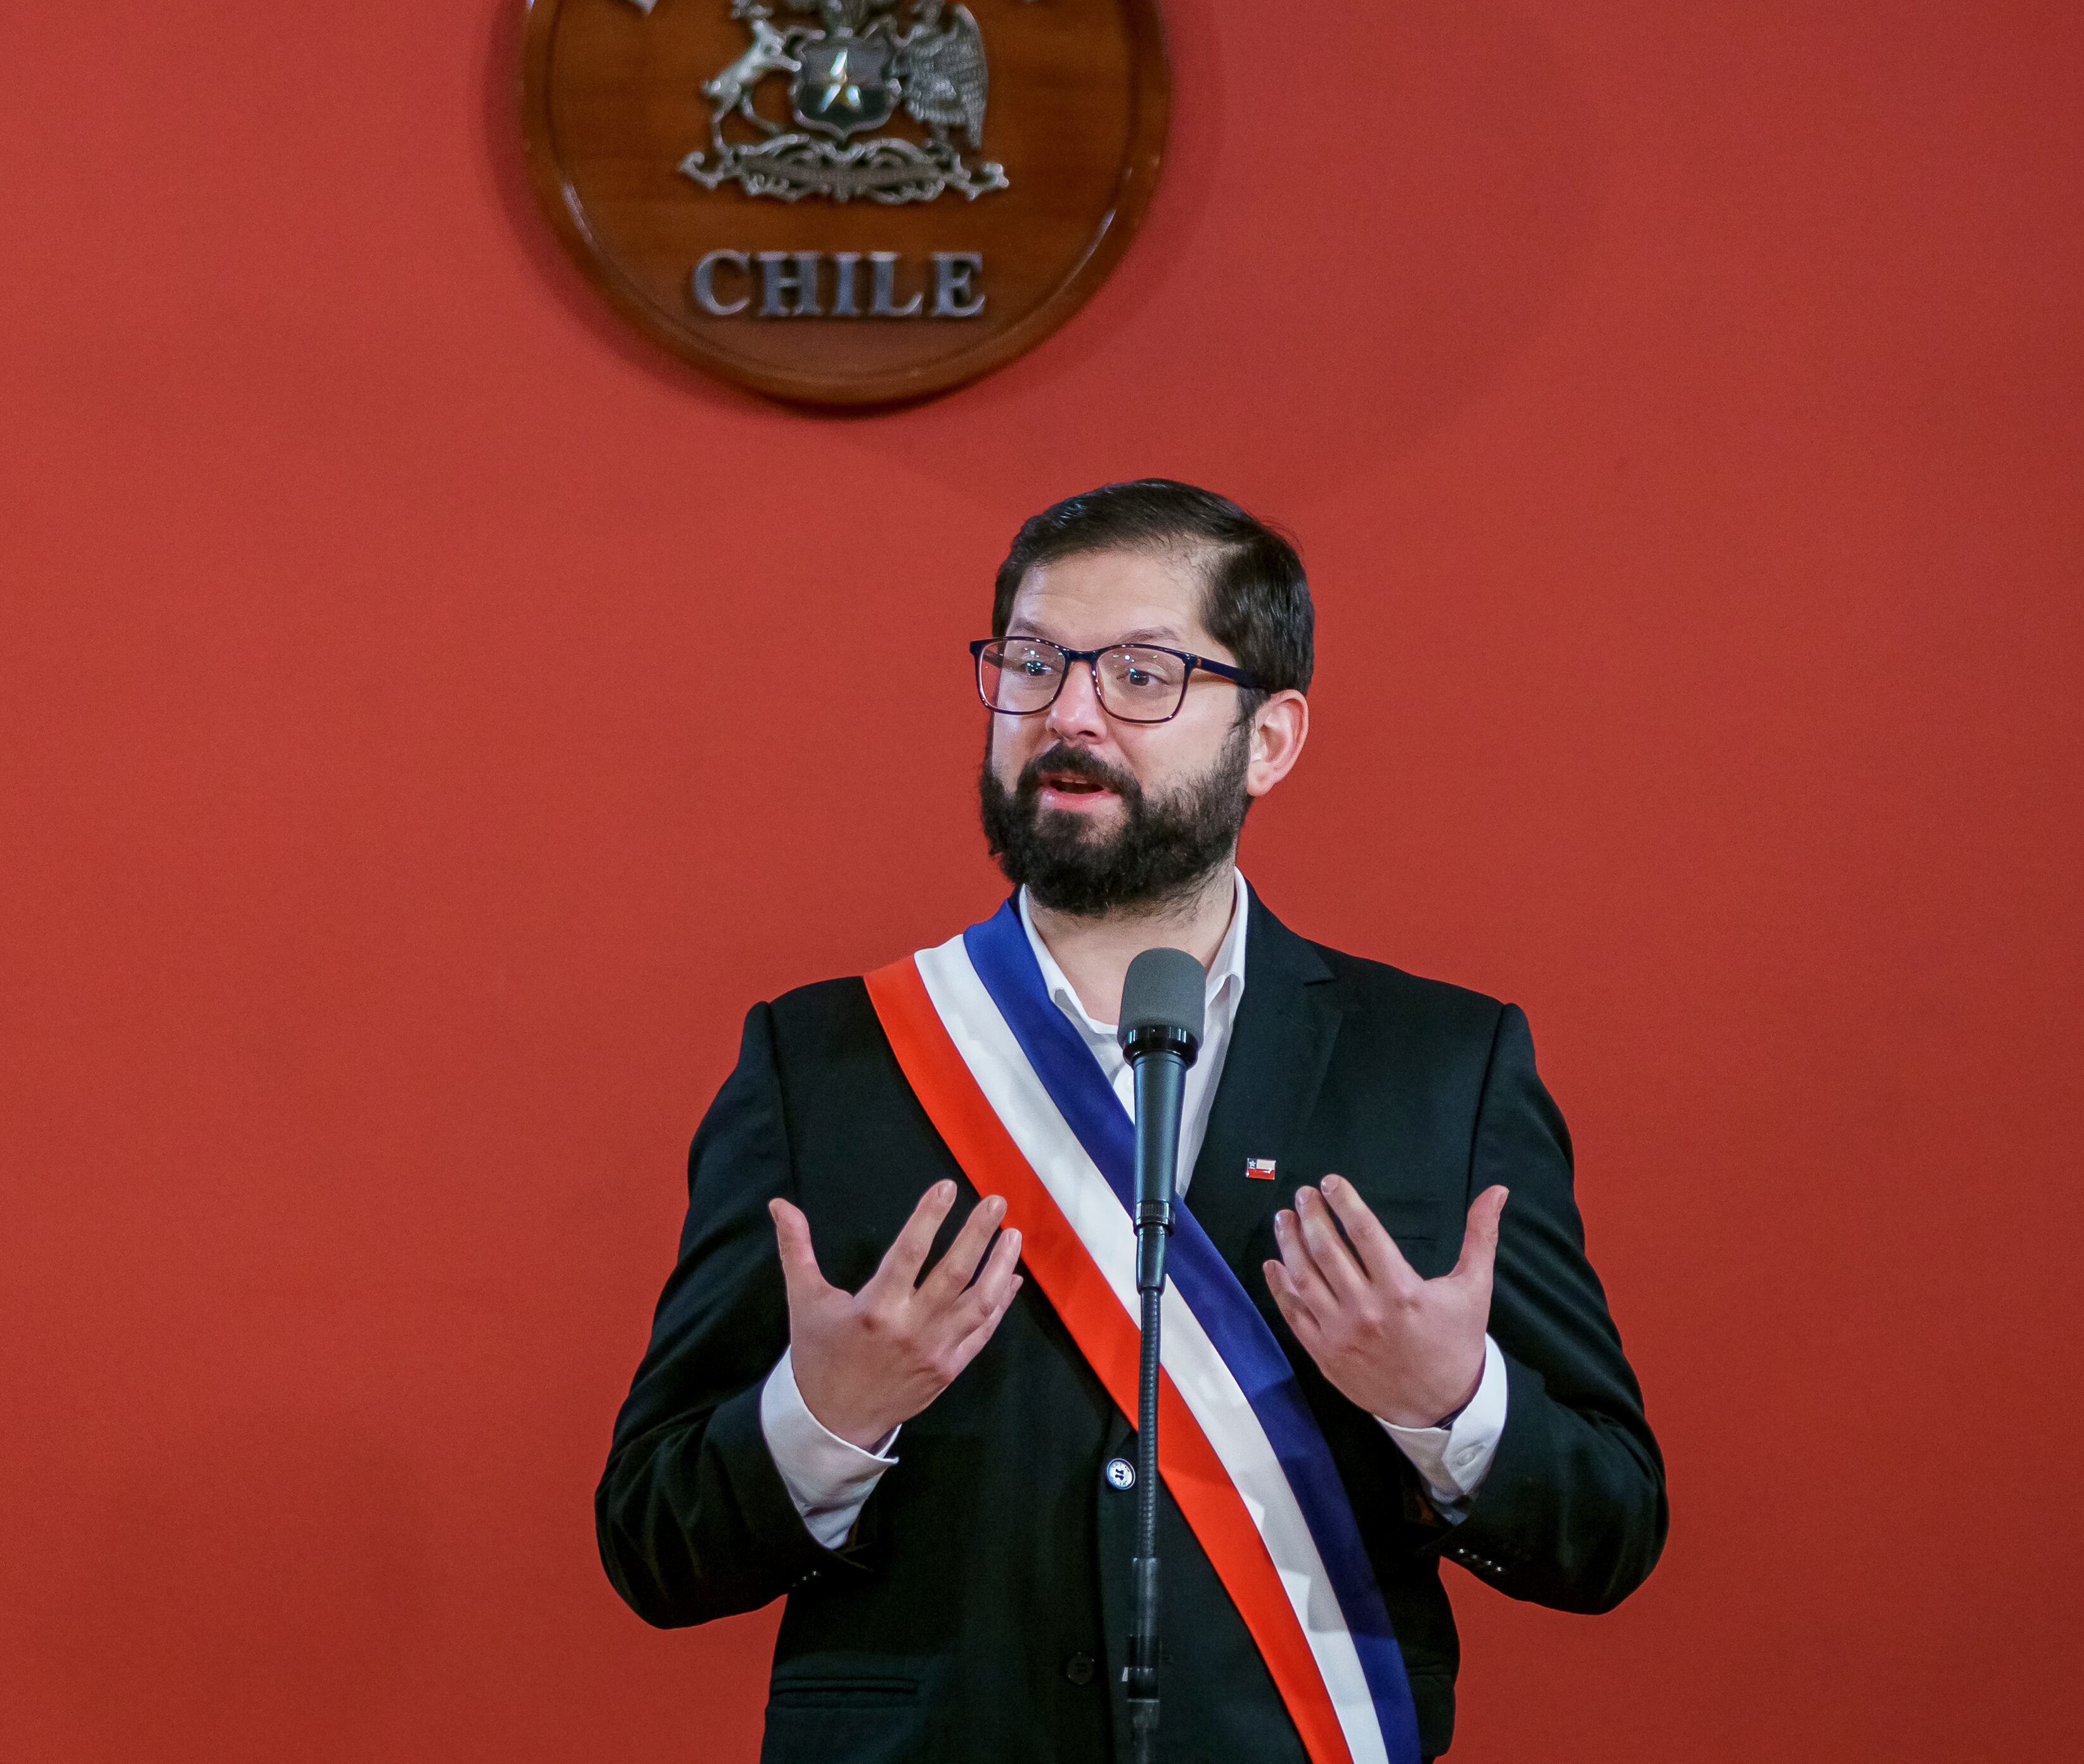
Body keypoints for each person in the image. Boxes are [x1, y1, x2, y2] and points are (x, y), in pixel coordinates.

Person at [598, 480, 1663, 1762]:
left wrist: (1451, 1398)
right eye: (1033, 663)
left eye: (1143, 673)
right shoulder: (826, 1057)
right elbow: (655, 1545)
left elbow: (1606, 1532)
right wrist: (824, 1412)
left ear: (1270, 737)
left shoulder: (1438, 1064)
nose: (1069, 712)